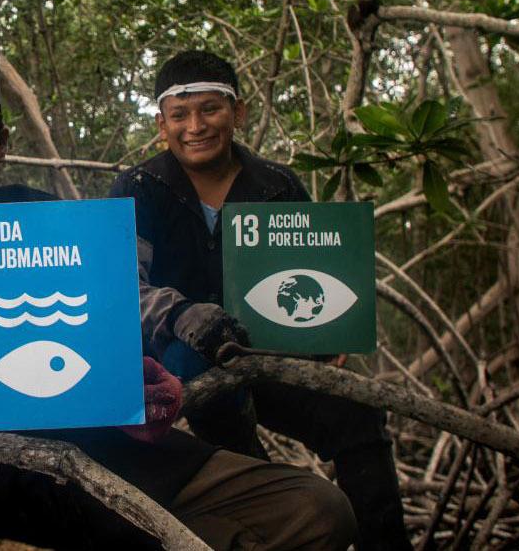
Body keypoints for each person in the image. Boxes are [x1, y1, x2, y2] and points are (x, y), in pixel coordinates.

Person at [0, 44, 356, 550]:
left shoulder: (44, 214)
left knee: (317, 509)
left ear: (3, 143)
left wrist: (145, 387)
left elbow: (108, 340)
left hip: (114, 453)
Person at [108, 50, 409, 550]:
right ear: (161, 124)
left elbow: (310, 268)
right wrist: (183, 315)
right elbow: (121, 284)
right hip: (170, 364)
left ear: (238, 113)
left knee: (356, 412)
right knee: (201, 368)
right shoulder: (140, 187)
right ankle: (274, 514)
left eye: (210, 109)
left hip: (264, 353)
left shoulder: (276, 184)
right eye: (180, 115)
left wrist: (328, 332)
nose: (195, 126)